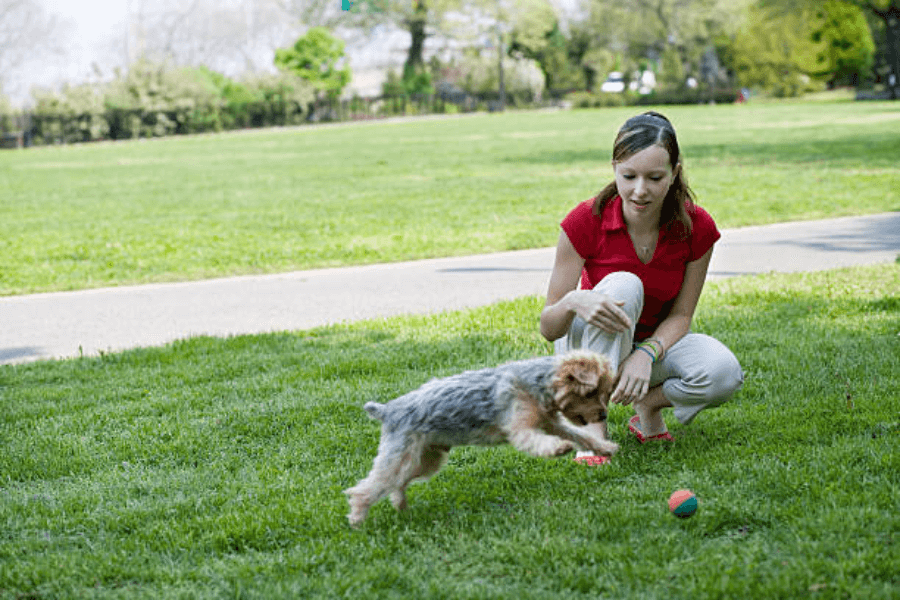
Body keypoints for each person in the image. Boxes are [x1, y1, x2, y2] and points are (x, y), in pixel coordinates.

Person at [539, 111, 743, 465]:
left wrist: (645, 355)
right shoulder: (584, 221)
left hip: (649, 346)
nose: (640, 190)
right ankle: (591, 429)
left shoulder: (696, 226)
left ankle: (647, 407)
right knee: (625, 284)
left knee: (723, 373)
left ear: (675, 172)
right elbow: (548, 327)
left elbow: (681, 316)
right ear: (614, 168)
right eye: (628, 176)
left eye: (654, 177)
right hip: (585, 350)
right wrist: (574, 300)